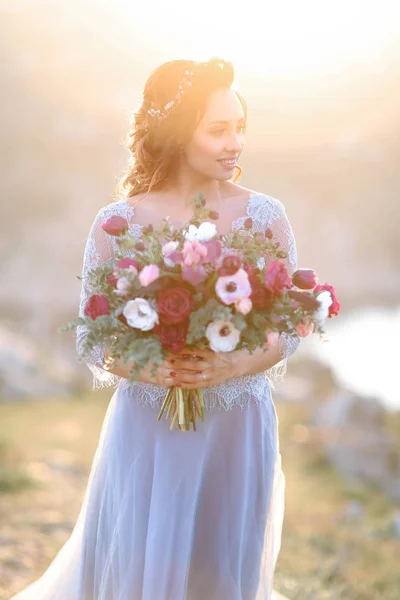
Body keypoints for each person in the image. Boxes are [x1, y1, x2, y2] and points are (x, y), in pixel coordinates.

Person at [11, 57, 300, 600]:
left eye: (240, 127)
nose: (234, 142)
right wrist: (154, 365)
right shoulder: (118, 222)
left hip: (237, 428)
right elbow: (92, 338)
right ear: (175, 131)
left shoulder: (266, 216)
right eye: (218, 129)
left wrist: (236, 363)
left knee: (221, 572)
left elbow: (289, 322)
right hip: (150, 430)